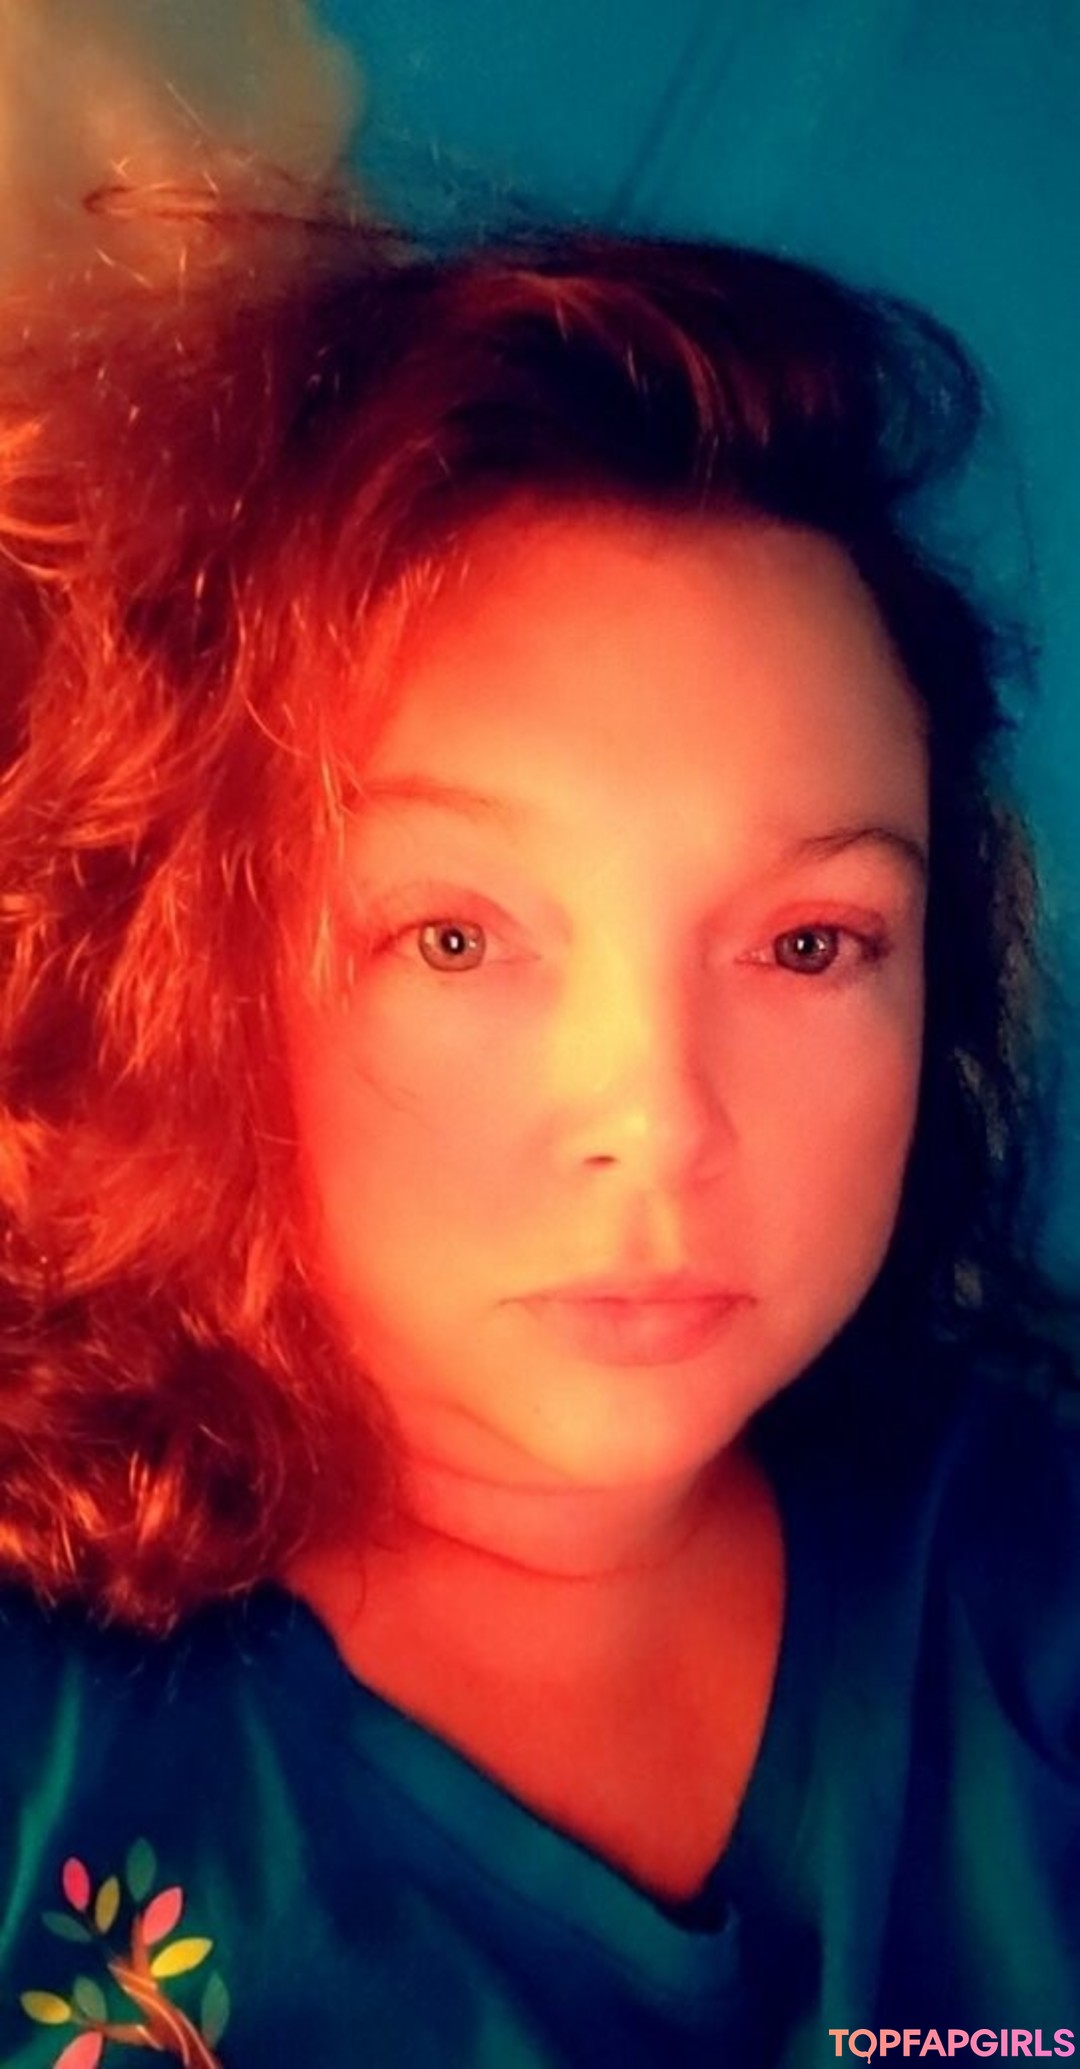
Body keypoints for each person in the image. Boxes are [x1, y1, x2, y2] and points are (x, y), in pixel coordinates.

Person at [1, 211, 1078, 2069]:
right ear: (183, 974)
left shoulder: (1027, 1579)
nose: (661, 1119)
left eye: (810, 943)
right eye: (452, 936)